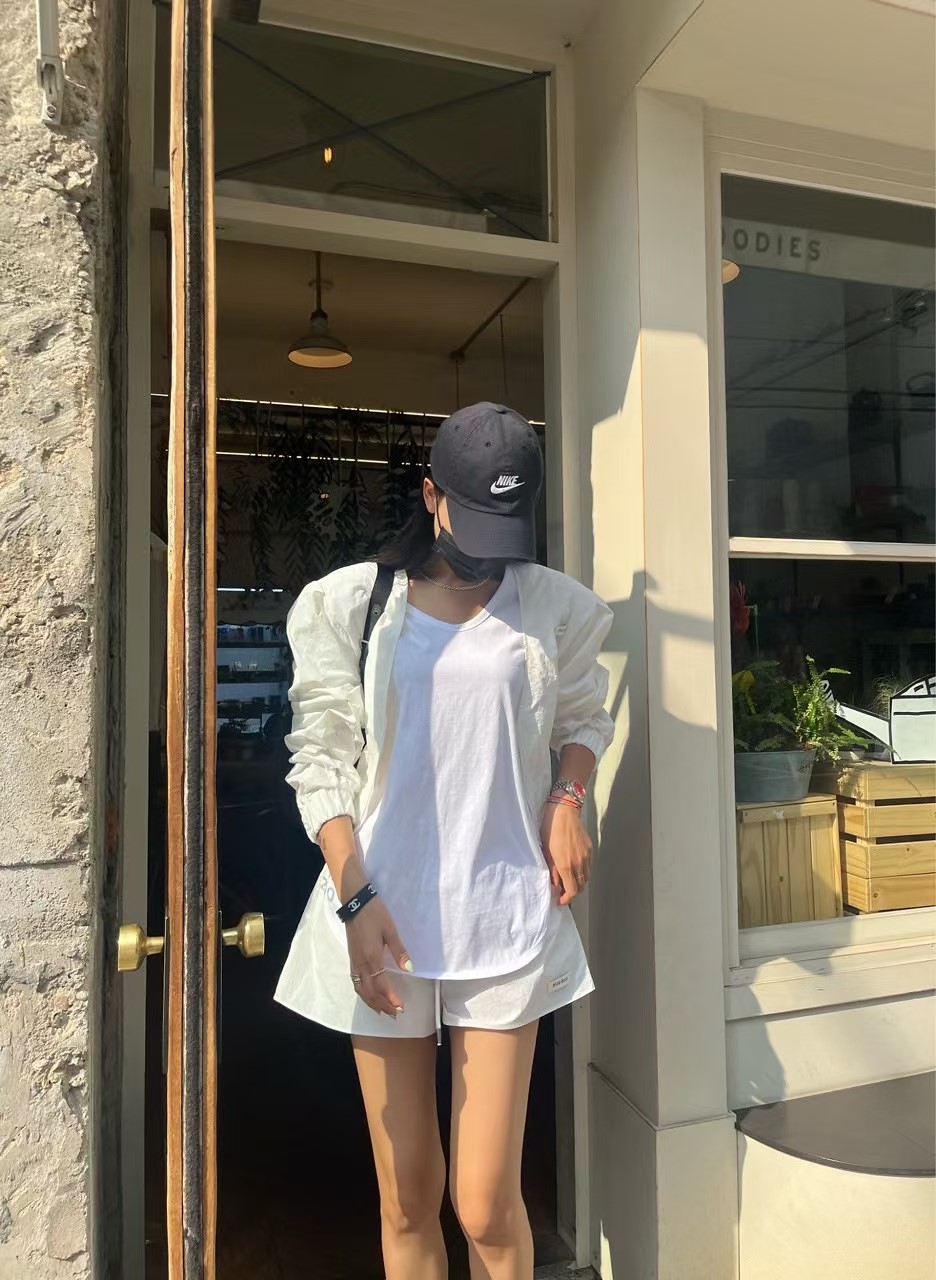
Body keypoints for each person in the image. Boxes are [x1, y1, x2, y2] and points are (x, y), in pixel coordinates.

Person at [275, 402, 614, 1279]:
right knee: (407, 1198)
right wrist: (354, 895)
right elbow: (321, 759)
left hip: (502, 913)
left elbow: (584, 718)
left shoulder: (553, 606)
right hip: (382, 917)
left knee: (488, 1204)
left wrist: (568, 797)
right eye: (475, 523)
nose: (492, 554)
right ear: (431, 497)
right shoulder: (353, 606)